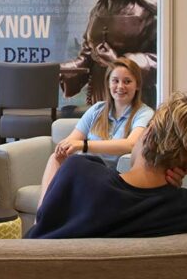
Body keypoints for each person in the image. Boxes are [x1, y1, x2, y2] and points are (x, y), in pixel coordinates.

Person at [26, 92, 187, 239]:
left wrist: (56, 161)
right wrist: (170, 195)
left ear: (149, 133)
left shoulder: (79, 173)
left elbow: (38, 234)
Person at [39, 57, 153, 208]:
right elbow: (72, 140)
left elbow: (131, 144)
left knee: (75, 164)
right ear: (108, 83)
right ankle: (41, 217)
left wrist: (83, 146)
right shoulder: (97, 109)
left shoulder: (144, 113)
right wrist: (64, 147)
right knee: (56, 157)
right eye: (115, 80)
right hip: (83, 169)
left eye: (127, 81)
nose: (120, 86)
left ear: (137, 85)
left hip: (112, 176)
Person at [60, 0, 158, 107]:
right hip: (101, 93)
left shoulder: (148, 11)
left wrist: (118, 62)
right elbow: (87, 56)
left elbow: (161, 61)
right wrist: (61, 69)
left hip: (133, 98)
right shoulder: (99, 10)